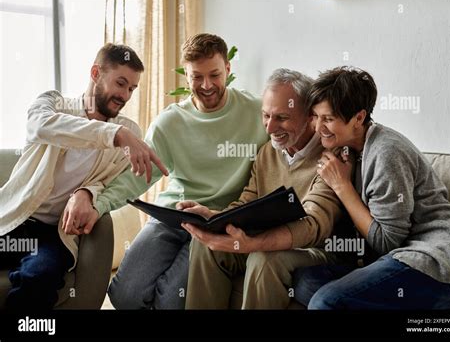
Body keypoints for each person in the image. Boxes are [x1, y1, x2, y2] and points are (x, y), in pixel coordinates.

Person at [68, 33, 269, 309]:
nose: (207, 85)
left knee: (173, 301)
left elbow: (293, 138)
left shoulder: (257, 112)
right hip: (171, 216)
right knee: (123, 296)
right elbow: (135, 177)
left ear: (228, 70)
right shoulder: (170, 122)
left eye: (215, 75)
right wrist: (96, 203)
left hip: (217, 222)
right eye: (197, 77)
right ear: (186, 76)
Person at [0, 43, 167, 310]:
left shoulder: (129, 130)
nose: (125, 95)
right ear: (95, 73)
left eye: (132, 89)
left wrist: (88, 192)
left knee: (39, 278)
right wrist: (112, 135)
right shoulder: (54, 103)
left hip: (56, 234)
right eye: (120, 83)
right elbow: (40, 126)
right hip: (14, 217)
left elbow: (117, 183)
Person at [293, 66, 450, 309]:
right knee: (305, 282)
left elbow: (387, 242)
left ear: (358, 118)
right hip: (396, 260)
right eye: (315, 116)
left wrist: (342, 186)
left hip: (439, 261)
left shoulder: (386, 153)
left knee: (327, 301)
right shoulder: (349, 150)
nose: (318, 127)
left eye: (328, 119)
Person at [179, 68, 345, 309]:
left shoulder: (331, 158)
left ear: (311, 116)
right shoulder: (268, 152)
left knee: (264, 259)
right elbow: (247, 203)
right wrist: (213, 216)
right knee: (206, 246)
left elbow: (314, 226)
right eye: (266, 115)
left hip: (316, 249)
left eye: (281, 117)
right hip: (265, 237)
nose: (268, 128)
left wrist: (255, 244)